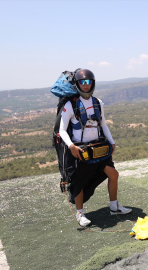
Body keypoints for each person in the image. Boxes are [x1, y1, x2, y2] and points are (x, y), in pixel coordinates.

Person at [59, 69, 132, 226]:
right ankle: (80, 214)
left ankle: (114, 207)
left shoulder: (98, 103)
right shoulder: (70, 105)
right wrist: (71, 146)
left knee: (113, 174)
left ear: (93, 83)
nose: (86, 85)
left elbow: (103, 124)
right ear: (78, 84)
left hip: (99, 147)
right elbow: (62, 130)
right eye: (83, 82)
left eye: (89, 82)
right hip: (80, 150)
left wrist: (111, 142)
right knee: (79, 182)